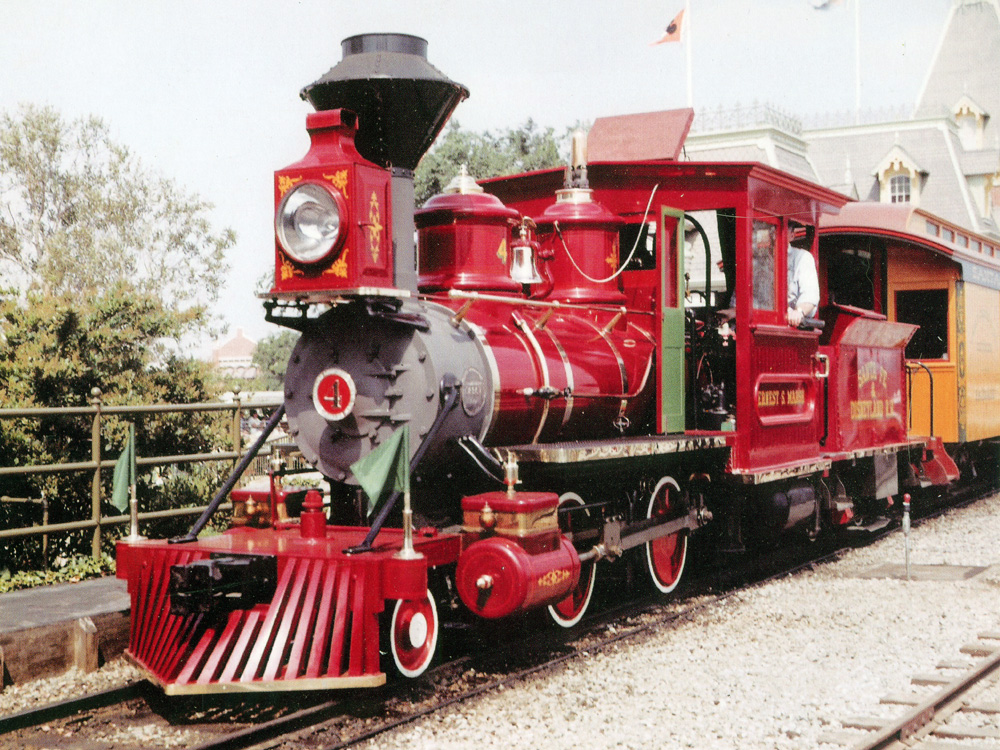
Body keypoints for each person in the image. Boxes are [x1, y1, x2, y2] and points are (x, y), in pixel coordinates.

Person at [787, 244, 819, 327]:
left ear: (792, 235)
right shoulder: (762, 257)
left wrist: (798, 312)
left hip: (793, 324)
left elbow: (810, 295)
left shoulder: (803, 257)